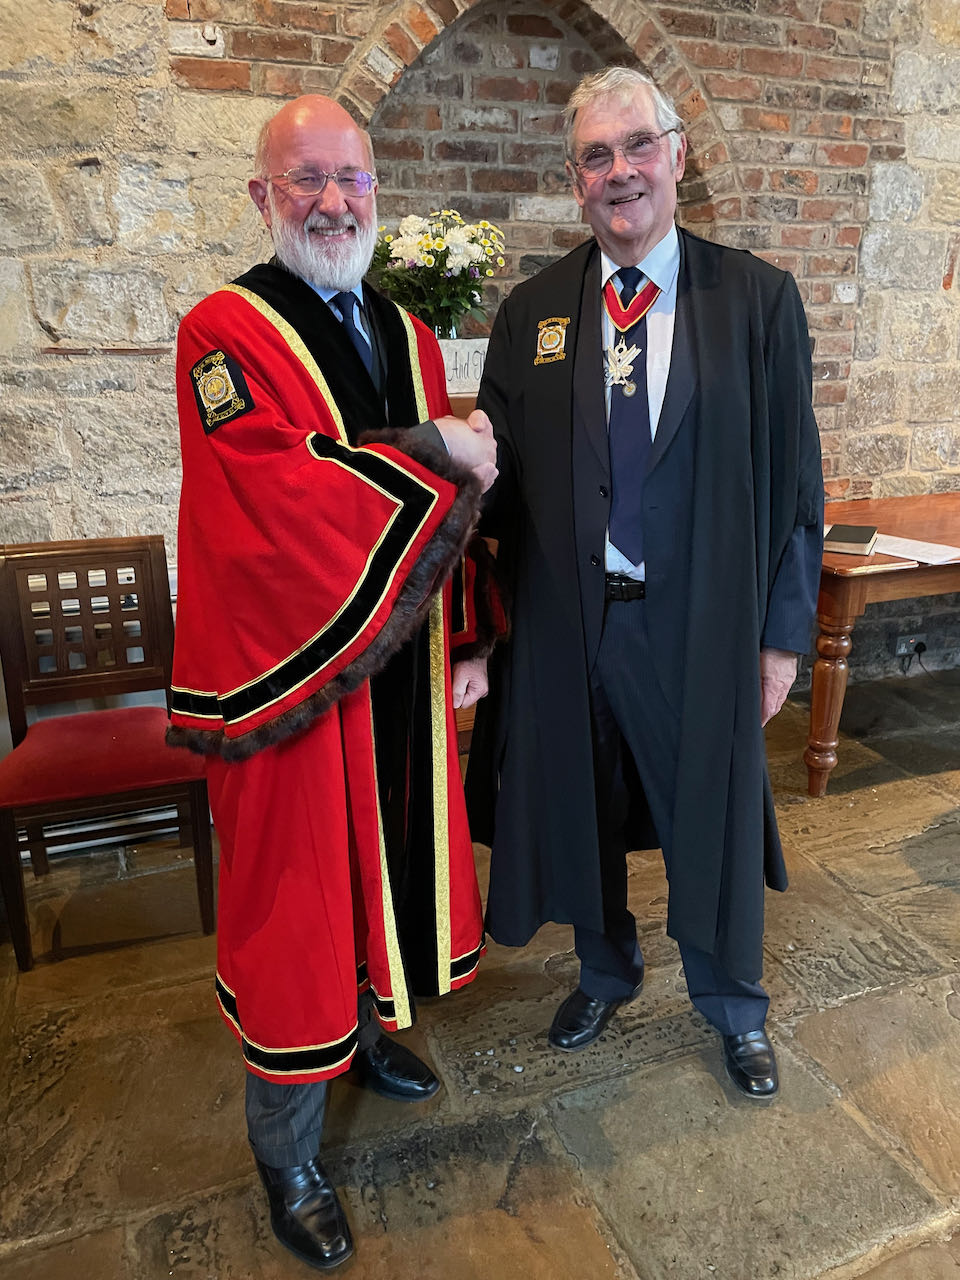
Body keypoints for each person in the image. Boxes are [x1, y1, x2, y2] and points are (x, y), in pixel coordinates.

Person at [167, 95, 499, 1271]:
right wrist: (429, 449)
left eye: (351, 179)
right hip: (289, 689)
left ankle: (362, 1034)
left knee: (384, 867)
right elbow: (266, 496)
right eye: (304, 178)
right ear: (263, 196)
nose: (332, 201)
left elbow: (448, 521)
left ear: (377, 191)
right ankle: (288, 1151)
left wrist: (464, 637)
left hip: (397, 687)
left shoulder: (408, 335)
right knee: (294, 912)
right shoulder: (222, 333)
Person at [466, 66, 823, 1102]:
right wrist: (483, 639)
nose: (618, 173)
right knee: (578, 805)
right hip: (568, 624)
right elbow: (502, 495)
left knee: (708, 812)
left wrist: (779, 638)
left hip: (701, 628)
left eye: (635, 147)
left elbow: (798, 483)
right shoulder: (534, 311)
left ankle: (733, 1003)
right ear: (574, 178)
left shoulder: (754, 299)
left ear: (674, 155)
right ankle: (605, 970)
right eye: (595, 155)